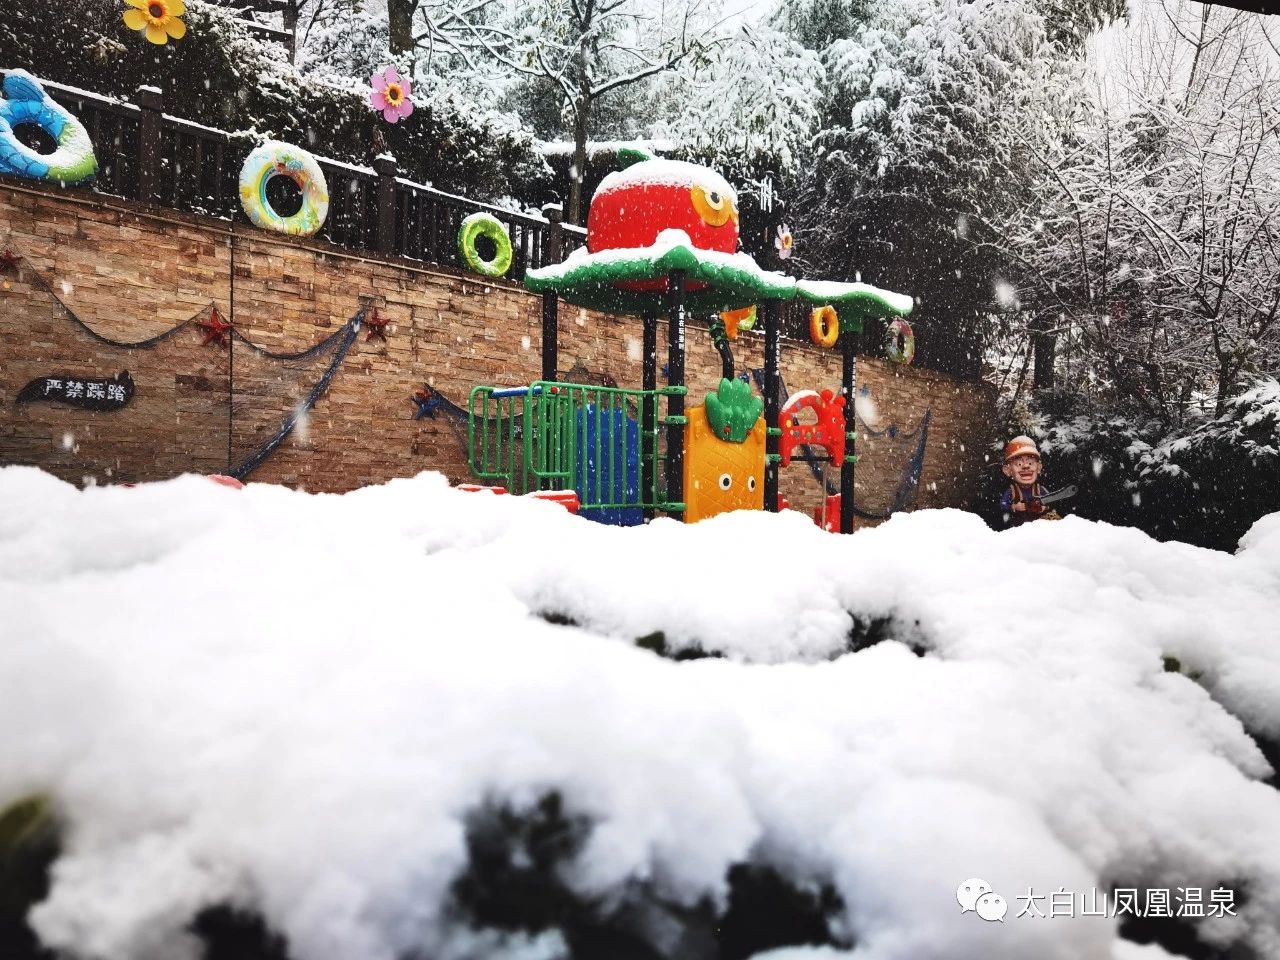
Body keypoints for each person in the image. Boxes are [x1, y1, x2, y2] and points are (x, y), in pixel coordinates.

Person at [999, 435, 1060, 524]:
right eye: (1019, 464)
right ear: (1008, 470)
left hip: (1039, 524)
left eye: (1030, 463)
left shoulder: (1040, 489)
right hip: (1020, 526)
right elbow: (1003, 504)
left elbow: (1051, 502)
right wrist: (1015, 507)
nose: (1026, 466)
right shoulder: (1012, 491)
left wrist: (1044, 508)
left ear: (1038, 468)